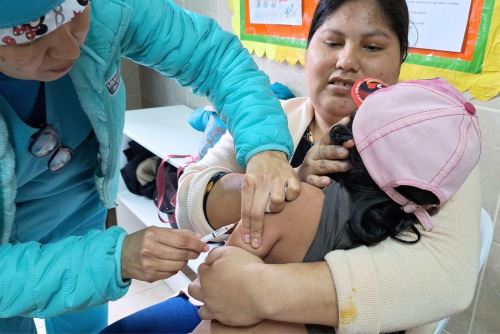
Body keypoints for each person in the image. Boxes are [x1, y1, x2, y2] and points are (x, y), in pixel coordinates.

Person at [103, 0, 481, 333]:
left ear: (399, 62)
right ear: (308, 50)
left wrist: (261, 290)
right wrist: (280, 182)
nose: (347, 61)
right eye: (332, 43)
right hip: (226, 297)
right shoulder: (272, 121)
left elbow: (449, 278)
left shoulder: (431, 146)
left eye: (372, 46)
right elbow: (188, 198)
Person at [0, 0, 302, 332]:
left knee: (85, 318)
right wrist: (114, 260)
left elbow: (212, 56)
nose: (70, 49)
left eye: (75, 17)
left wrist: (265, 145)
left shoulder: (110, 11)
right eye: (32, 36)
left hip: (81, 209)